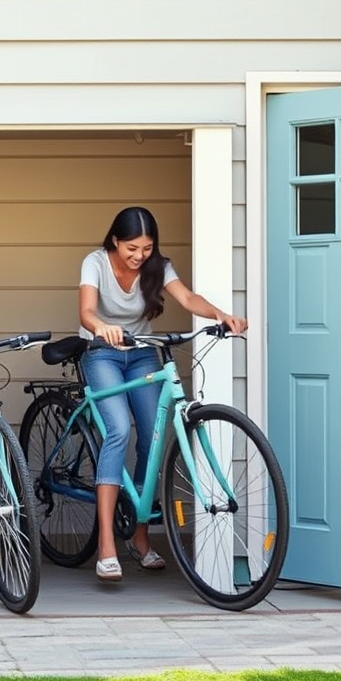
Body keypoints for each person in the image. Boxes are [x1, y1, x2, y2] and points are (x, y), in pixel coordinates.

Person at [79, 206, 247, 582]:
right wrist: (102, 327)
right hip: (102, 353)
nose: (140, 256)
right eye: (132, 248)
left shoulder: (157, 266)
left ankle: (139, 538)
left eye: (147, 248)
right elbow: (87, 311)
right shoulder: (94, 263)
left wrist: (221, 315)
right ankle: (106, 543)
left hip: (141, 353)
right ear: (115, 241)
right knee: (119, 431)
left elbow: (188, 299)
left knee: (152, 440)